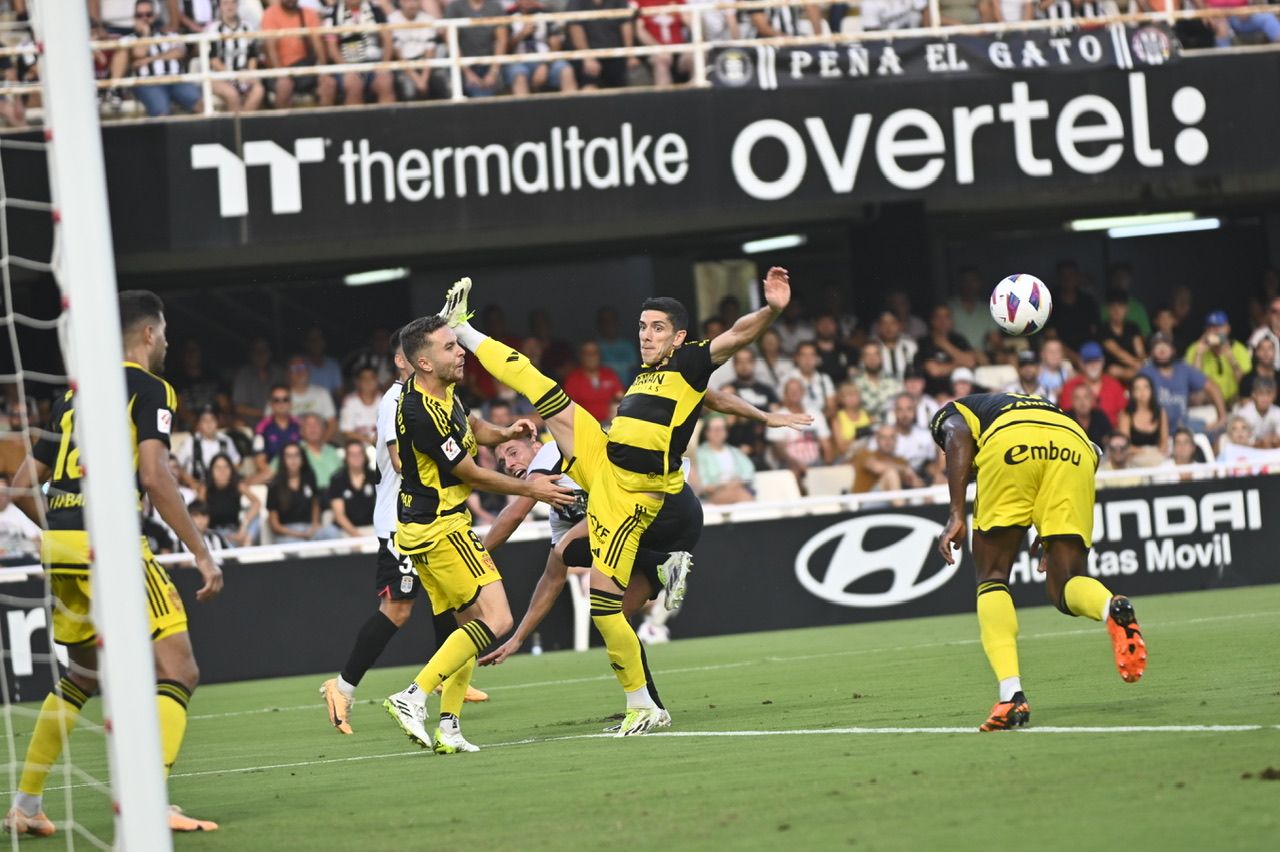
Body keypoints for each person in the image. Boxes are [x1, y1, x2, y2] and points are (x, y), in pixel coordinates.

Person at [435, 268, 788, 735]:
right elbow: (714, 401)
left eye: (657, 327)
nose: (646, 335)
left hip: (631, 493)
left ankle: (644, 707)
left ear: (680, 337)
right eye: (642, 326)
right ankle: (464, 328)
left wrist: (772, 310)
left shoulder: (691, 363)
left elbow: (736, 336)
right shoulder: (645, 375)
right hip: (603, 462)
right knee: (540, 387)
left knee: (604, 609)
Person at [4, 291, 222, 836]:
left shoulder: (75, 397)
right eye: (165, 332)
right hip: (113, 547)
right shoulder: (150, 389)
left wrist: (62, 530)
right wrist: (200, 550)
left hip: (62, 549)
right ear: (149, 334)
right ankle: (153, 800)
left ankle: (25, 806)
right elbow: (154, 474)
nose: (167, 341)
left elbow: (24, 479)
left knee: (82, 674)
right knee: (179, 669)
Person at [477, 384, 808, 717]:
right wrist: (518, 638)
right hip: (657, 534)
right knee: (612, 615)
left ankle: (664, 565)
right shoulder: (557, 510)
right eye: (502, 460)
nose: (509, 464)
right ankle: (647, 705)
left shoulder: (552, 453)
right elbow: (552, 579)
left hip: (667, 508)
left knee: (568, 548)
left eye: (513, 452)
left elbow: (516, 511)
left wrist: (474, 555)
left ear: (535, 441)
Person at [381, 315, 575, 752]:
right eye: (450, 347)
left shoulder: (441, 391)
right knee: (499, 619)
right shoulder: (417, 411)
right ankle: (412, 695)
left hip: (426, 527)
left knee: (468, 625)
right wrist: (531, 486)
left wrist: (503, 432)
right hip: (441, 528)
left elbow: (471, 430)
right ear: (425, 362)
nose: (460, 351)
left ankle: (449, 727)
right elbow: (470, 472)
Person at [933, 392, 1147, 732]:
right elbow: (1094, 453)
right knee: (1065, 584)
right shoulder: (1041, 406)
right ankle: (1111, 606)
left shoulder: (953, 411)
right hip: (1076, 447)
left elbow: (957, 434)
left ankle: (1011, 696)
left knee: (992, 576)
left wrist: (956, 514)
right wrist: (1049, 524)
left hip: (1011, 444)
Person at [320, 328, 489, 738]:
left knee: (449, 599)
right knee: (398, 609)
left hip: (429, 518)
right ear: (404, 361)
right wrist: (451, 462)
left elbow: (467, 428)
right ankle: (341, 688)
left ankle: (447, 675)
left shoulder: (438, 396)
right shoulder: (398, 401)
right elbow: (399, 461)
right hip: (402, 520)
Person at [1140, 332, 1225, 433]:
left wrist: (1222, 417)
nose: (1162, 350)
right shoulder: (1146, 372)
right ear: (1151, 353)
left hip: (1182, 424)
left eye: (1165, 346)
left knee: (1217, 431)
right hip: (1156, 426)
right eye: (1157, 347)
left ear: (1173, 350)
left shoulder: (1183, 369)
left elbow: (1212, 387)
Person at [261, 0, 337, 108]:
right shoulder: (270, 14)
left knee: (328, 83)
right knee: (284, 86)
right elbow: (270, 49)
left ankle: (324, 122)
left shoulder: (309, 13)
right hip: (280, 69)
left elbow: (318, 44)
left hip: (305, 67)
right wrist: (281, 74)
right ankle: (282, 124)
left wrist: (323, 69)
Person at [266, 442, 341, 542]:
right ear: (283, 459)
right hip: (288, 532)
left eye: (297, 455)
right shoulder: (275, 485)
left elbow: (315, 503)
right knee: (296, 545)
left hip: (309, 528)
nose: (293, 460)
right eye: (289, 456)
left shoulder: (309, 478)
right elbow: (275, 525)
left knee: (333, 533)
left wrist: (314, 525)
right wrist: (300, 534)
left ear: (302, 458)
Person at [769, 377, 832, 487]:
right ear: (785, 395)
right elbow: (779, 451)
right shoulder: (777, 417)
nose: (794, 393)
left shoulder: (816, 415)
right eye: (790, 390)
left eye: (797, 390)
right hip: (789, 465)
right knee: (794, 471)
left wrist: (828, 466)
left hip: (816, 463)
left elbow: (826, 446)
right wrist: (797, 464)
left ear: (803, 392)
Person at [206, 0, 265, 112]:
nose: (230, 6)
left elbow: (253, 55)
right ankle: (236, 127)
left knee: (258, 90)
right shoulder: (213, 29)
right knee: (232, 94)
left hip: (243, 74)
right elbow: (213, 59)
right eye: (226, 3)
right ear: (220, 6)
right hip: (220, 76)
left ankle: (243, 124)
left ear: (238, 5)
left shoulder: (247, 27)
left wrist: (249, 73)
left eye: (233, 3)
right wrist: (231, 75)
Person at [1186, 310, 1251, 408]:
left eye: (1219, 327)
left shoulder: (1239, 349)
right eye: (1211, 327)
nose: (1216, 331)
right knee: (1196, 397)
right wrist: (1199, 355)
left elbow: (1245, 385)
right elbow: (1193, 384)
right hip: (1207, 401)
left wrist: (1231, 358)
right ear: (1206, 331)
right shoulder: (1195, 348)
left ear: (1228, 329)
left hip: (1233, 400)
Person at [1059, 342, 1127, 427]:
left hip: (1110, 436)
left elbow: (1124, 415)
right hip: (1078, 435)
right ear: (1081, 363)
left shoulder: (1114, 385)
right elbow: (1066, 417)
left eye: (1096, 361)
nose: (1093, 365)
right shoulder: (1070, 386)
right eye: (1089, 361)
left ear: (1103, 361)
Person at [692, 416, 755, 504]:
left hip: (738, 487)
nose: (718, 433)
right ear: (706, 432)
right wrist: (723, 486)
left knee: (742, 494)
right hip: (713, 494)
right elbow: (702, 484)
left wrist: (737, 483)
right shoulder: (699, 454)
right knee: (743, 496)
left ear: (726, 432)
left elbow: (748, 472)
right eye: (714, 429)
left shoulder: (735, 452)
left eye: (721, 429)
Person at [174, 404, 240, 488]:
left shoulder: (225, 440)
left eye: (212, 420)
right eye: (204, 421)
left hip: (222, 487)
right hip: (196, 487)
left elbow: (236, 463)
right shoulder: (190, 442)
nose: (209, 424)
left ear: (217, 422)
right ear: (199, 424)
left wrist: (226, 479)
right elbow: (177, 466)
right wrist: (192, 482)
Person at [203, 452, 260, 547]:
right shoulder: (205, 489)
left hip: (235, 532)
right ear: (211, 471)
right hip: (214, 533)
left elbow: (256, 502)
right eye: (218, 468)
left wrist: (243, 528)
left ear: (231, 469)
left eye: (226, 467)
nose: (222, 471)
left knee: (256, 516)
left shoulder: (238, 486)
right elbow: (198, 511)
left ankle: (246, 543)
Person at [853, 422, 921, 499]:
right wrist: (905, 469)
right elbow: (878, 468)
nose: (888, 441)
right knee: (891, 474)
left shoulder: (901, 461)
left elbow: (915, 482)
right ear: (877, 439)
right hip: (863, 505)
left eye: (891, 437)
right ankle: (900, 509)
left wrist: (917, 483)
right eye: (883, 437)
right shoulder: (865, 453)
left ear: (896, 440)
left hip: (891, 504)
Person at [562, 340, 625, 423]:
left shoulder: (610, 374)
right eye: (587, 353)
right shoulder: (573, 379)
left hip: (610, 425)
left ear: (600, 355)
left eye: (594, 353)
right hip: (584, 426)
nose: (591, 357)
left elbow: (621, 398)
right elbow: (568, 409)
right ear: (581, 356)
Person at [1116, 374, 1169, 465]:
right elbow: (1125, 445)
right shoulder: (1126, 414)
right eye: (1137, 388)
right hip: (1133, 458)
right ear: (1132, 393)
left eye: (1146, 387)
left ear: (1152, 390)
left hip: (1156, 456)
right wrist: (1146, 452)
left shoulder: (1160, 412)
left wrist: (1155, 452)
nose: (1142, 392)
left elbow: (1164, 442)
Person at [329, 439, 377, 537]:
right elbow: (339, 515)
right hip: (345, 529)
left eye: (359, 454)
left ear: (365, 456)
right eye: (352, 454)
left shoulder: (374, 477)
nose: (356, 457)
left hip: (371, 527)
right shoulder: (337, 479)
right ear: (346, 457)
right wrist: (356, 535)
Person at [1100, 287, 1146, 383]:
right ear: (1108, 309)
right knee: (1114, 370)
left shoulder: (1133, 327)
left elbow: (1140, 351)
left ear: (1126, 309)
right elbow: (1118, 352)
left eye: (1120, 306)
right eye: (1113, 306)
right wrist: (1139, 366)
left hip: (1134, 370)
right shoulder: (1103, 329)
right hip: (1112, 373)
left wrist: (1141, 363)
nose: (1117, 310)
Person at [852, 340, 902, 421]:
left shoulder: (894, 381)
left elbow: (902, 407)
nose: (872, 359)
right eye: (868, 355)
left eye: (876, 354)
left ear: (881, 358)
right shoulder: (854, 384)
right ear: (862, 359)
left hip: (892, 428)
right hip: (864, 429)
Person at [0, 472, 40, 559]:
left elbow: (36, 540)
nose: (1, 496)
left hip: (21, 564)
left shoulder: (20, 512)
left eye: (3, 492)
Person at [1233, 377, 1280, 449]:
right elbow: (1240, 442)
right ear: (1254, 394)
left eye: (1268, 393)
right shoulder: (1243, 414)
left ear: (1274, 395)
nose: (1265, 398)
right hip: (1247, 452)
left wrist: (1273, 440)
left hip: (1271, 453)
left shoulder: (1277, 412)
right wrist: (1261, 443)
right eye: (1261, 393)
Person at [299, 412, 342, 489]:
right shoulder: (294, 451)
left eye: (316, 424)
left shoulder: (334, 451)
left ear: (323, 429)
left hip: (334, 496)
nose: (313, 428)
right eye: (308, 425)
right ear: (301, 431)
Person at [831, 382, 872, 462]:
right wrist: (858, 436)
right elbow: (842, 449)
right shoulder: (837, 419)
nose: (852, 398)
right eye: (847, 395)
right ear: (841, 399)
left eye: (854, 394)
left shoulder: (868, 416)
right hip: (847, 458)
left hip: (868, 456)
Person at [1036, 338, 1073, 403]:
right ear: (1042, 354)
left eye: (1057, 351)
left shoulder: (1068, 372)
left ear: (1062, 354)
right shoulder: (1036, 372)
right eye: (1050, 351)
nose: (1054, 354)